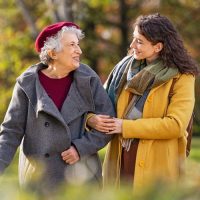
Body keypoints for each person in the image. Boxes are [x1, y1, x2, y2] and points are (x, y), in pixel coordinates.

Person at [87, 13, 199, 189]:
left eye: (139, 41)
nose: (132, 46)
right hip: (120, 159)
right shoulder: (124, 70)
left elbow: (176, 125)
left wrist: (125, 127)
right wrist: (90, 119)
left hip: (158, 165)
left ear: (158, 47)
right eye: (133, 39)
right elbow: (98, 105)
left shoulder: (182, 77)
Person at [0, 21, 115, 192]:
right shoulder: (27, 84)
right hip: (40, 179)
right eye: (72, 45)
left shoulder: (88, 78)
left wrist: (80, 148)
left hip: (81, 176)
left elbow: (108, 124)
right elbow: (11, 132)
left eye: (78, 44)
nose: (79, 50)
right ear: (53, 53)